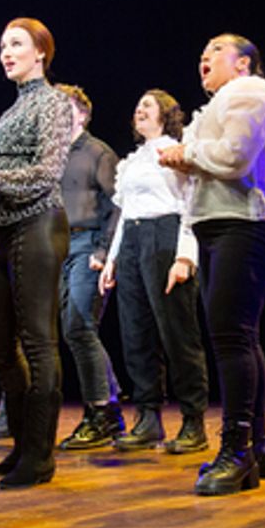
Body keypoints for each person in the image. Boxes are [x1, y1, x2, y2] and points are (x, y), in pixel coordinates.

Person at [158, 34, 265, 495]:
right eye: (201, 52)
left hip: (246, 224)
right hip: (222, 225)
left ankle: (237, 450)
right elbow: (193, 185)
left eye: (215, 50)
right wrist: (183, 160)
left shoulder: (249, 91)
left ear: (245, 63)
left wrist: (187, 154)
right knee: (239, 338)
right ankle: (257, 445)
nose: (204, 58)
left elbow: (233, 158)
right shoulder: (219, 103)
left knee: (232, 338)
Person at [0, 17, 73, 489]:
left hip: (38, 224)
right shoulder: (10, 110)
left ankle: (40, 454)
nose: (5, 52)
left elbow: (46, 172)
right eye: (1, 45)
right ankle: (20, 443)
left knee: (37, 340)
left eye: (16, 44)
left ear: (41, 53)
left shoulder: (52, 102)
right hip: (4, 231)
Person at [99, 89, 210, 454]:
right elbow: (126, 210)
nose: (139, 111)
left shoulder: (174, 150)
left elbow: (191, 203)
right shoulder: (131, 162)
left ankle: (193, 420)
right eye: (137, 107)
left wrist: (185, 256)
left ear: (165, 113)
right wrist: (113, 259)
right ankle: (148, 418)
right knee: (136, 333)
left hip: (165, 235)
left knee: (178, 331)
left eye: (147, 105)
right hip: (131, 240)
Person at [53, 84, 125, 450]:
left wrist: (103, 249)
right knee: (74, 330)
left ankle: (99, 412)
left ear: (80, 114)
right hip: (57, 246)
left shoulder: (98, 152)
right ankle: (109, 409)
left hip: (88, 243)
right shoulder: (50, 156)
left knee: (79, 324)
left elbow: (118, 203)